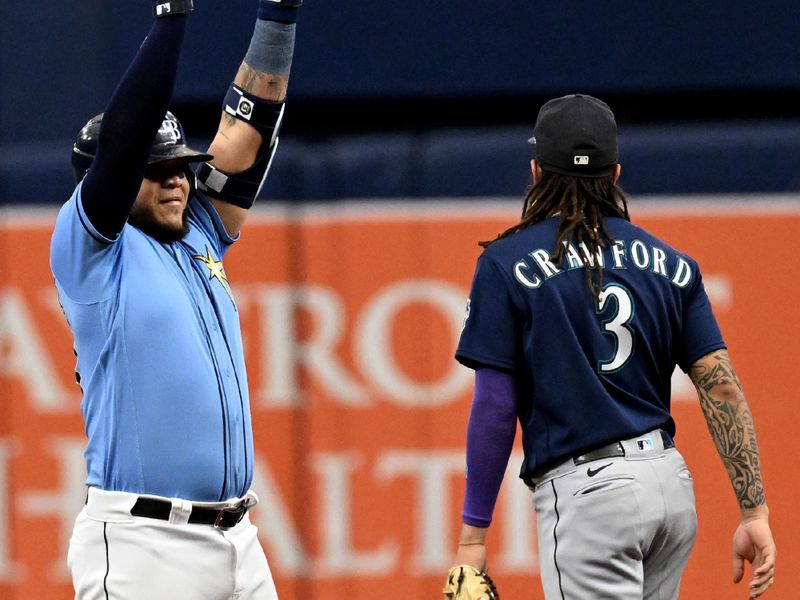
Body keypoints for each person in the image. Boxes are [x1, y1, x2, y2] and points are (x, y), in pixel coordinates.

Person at [445, 94, 776, 599]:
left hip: (591, 494)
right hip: (669, 486)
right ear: (615, 173)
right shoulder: (674, 264)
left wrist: (473, 538)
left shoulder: (506, 263)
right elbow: (721, 387)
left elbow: (494, 405)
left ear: (536, 171)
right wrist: (753, 511)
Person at [50, 0, 302, 597]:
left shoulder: (197, 230)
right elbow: (127, 134)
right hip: (144, 546)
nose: (178, 179)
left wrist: (279, 16)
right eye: (157, 169)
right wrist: (173, 17)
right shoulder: (89, 251)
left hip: (239, 538)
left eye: (182, 167)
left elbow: (247, 130)